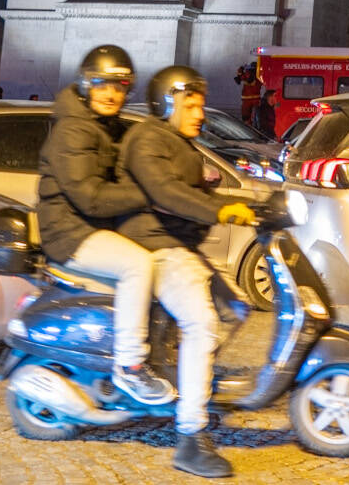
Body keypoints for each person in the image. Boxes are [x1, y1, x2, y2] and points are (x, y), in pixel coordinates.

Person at [120, 67, 257, 479]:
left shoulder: (183, 145)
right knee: (203, 324)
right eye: (191, 105)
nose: (200, 113)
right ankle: (190, 437)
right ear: (167, 104)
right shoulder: (147, 139)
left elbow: (192, 192)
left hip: (180, 245)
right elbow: (166, 192)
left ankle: (184, 375)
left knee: (238, 307)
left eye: (200, 105)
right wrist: (218, 209)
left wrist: (251, 203)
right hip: (156, 244)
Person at [35, 44, 175, 407]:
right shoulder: (74, 130)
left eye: (120, 86)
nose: (112, 93)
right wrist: (150, 195)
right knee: (136, 265)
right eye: (101, 84)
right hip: (69, 232)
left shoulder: (101, 126)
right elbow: (92, 198)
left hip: (88, 226)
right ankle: (129, 366)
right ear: (85, 85)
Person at [236, 63, 261, 128]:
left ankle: (250, 128)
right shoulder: (257, 75)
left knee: (252, 117)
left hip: (251, 100)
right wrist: (239, 73)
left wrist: (241, 73)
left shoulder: (255, 76)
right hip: (250, 100)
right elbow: (238, 80)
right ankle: (248, 127)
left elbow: (249, 80)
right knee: (247, 117)